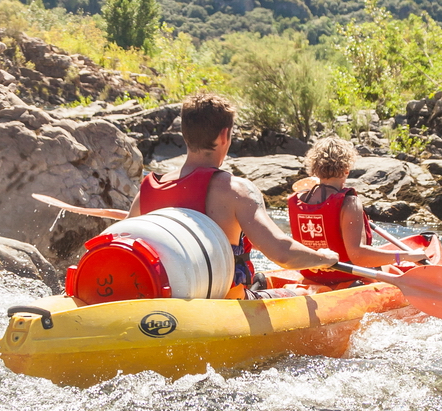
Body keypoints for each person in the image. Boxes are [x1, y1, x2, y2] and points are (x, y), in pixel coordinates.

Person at [121, 93, 338, 298]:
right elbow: (282, 253)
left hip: (163, 301)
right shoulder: (235, 190)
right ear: (225, 135)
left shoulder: (148, 189)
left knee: (261, 279)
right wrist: (324, 258)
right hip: (226, 303)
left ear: (185, 134)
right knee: (307, 293)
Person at [287, 137, 425, 291]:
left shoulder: (295, 200)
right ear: (347, 170)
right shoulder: (349, 202)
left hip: (311, 274)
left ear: (314, 169)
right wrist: (405, 255)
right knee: (393, 269)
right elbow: (358, 256)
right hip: (350, 276)